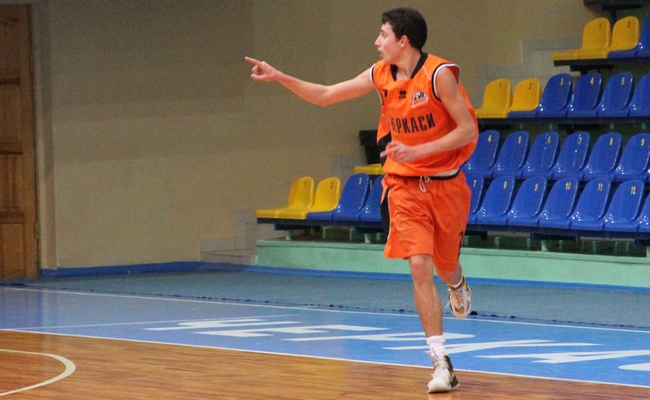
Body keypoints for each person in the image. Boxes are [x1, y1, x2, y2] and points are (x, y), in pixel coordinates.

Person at [245, 7, 476, 394]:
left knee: (446, 264)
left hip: (446, 184)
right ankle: (441, 363)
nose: (377, 41)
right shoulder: (380, 74)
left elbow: (468, 130)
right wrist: (281, 76)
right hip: (403, 186)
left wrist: (419, 151)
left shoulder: (439, 76)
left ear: (403, 40)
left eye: (383, 34)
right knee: (419, 264)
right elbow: (327, 95)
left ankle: (457, 282)